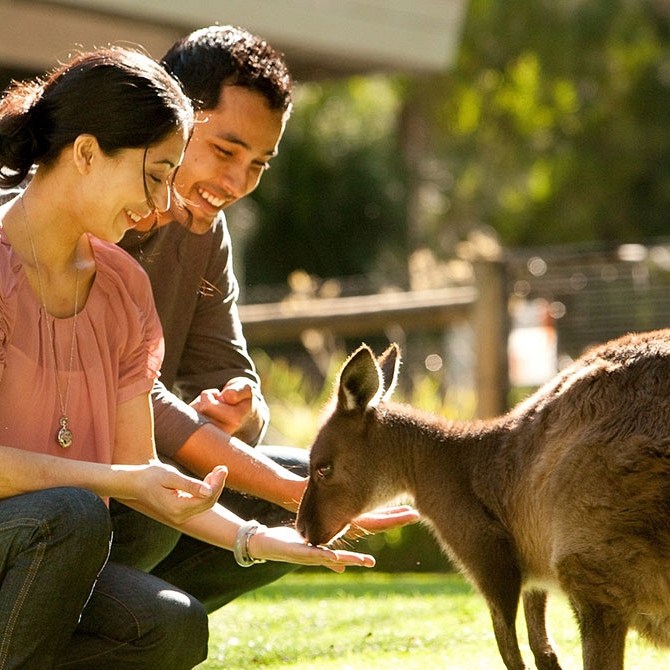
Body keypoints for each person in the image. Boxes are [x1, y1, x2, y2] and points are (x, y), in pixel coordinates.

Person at [0, 46, 375, 669]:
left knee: (171, 624)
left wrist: (262, 540)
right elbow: (129, 478)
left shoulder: (119, 285)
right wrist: (119, 481)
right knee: (71, 515)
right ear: (87, 154)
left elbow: (144, 470)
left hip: (56, 533)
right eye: (153, 176)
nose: (157, 206)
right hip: (43, 525)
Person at [114, 25, 419, 613]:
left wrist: (243, 406)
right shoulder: (90, 218)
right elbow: (128, 390)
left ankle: (131, 622)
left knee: (281, 487)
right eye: (225, 152)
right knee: (211, 497)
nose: (235, 184)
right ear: (169, 116)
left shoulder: (205, 231)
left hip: (132, 472)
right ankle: (117, 619)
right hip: (57, 489)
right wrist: (293, 489)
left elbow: (227, 369)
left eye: (258, 164)